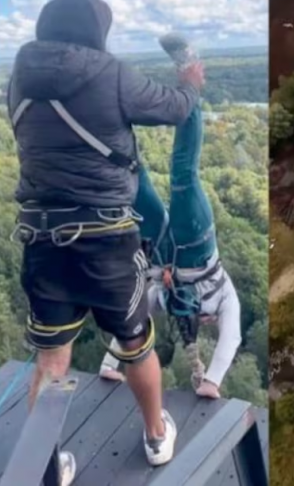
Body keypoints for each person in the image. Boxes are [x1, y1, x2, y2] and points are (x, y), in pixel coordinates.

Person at [8, 0, 203, 482]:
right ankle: (157, 435)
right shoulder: (109, 72)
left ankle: (48, 469)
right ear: (97, 30)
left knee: (51, 360)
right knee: (136, 342)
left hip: (42, 238)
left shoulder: (19, 79)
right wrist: (191, 84)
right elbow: (174, 108)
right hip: (105, 239)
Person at [98, 34, 243, 402]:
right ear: (207, 320)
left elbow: (132, 318)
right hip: (197, 245)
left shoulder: (161, 301)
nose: (205, 317)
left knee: (135, 181)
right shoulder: (225, 298)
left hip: (163, 249)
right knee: (183, 174)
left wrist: (109, 363)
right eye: (205, 318)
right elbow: (234, 336)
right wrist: (212, 379)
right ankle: (188, 69)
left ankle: (104, 101)